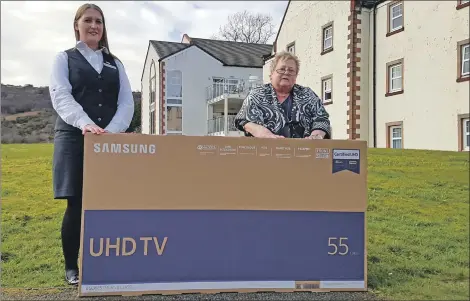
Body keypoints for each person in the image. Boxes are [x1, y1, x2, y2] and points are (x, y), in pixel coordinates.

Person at [48, 3, 134, 285]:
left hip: (108, 140)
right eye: (88, 20)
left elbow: (126, 102)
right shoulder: (64, 58)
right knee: (76, 203)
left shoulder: (115, 63)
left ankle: (106, 262)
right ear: (77, 25)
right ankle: (72, 266)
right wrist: (85, 123)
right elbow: (61, 94)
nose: (94, 25)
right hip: (74, 138)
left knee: (108, 201)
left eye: (99, 21)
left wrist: (109, 132)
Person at [234, 51, 331, 139]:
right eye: (282, 69)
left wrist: (316, 136)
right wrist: (263, 133)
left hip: (303, 153)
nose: (286, 72)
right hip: (266, 152)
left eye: (291, 70)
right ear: (271, 74)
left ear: (296, 76)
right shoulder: (257, 94)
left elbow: (322, 119)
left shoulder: (308, 94)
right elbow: (244, 121)